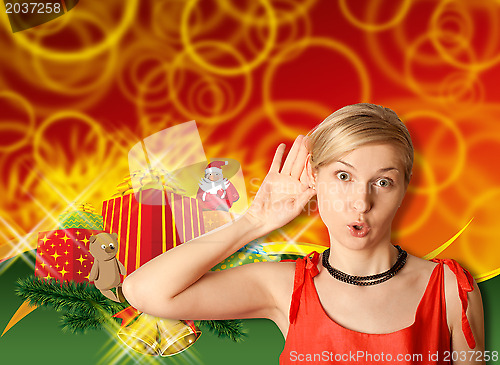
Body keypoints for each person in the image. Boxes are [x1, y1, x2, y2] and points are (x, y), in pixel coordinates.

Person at [122, 103, 485, 364]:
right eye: (343, 177)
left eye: (383, 182)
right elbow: (144, 290)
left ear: (404, 190)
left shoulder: (449, 289)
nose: (361, 202)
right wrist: (256, 220)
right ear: (315, 178)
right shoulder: (284, 286)